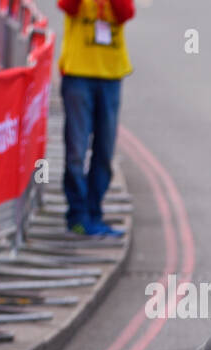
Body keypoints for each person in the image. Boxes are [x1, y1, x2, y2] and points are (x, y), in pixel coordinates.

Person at [57, 0, 135, 238]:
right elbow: (67, 6)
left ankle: (94, 213)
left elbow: (125, 13)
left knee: (104, 150)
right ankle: (78, 215)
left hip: (110, 76)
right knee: (76, 151)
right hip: (78, 76)